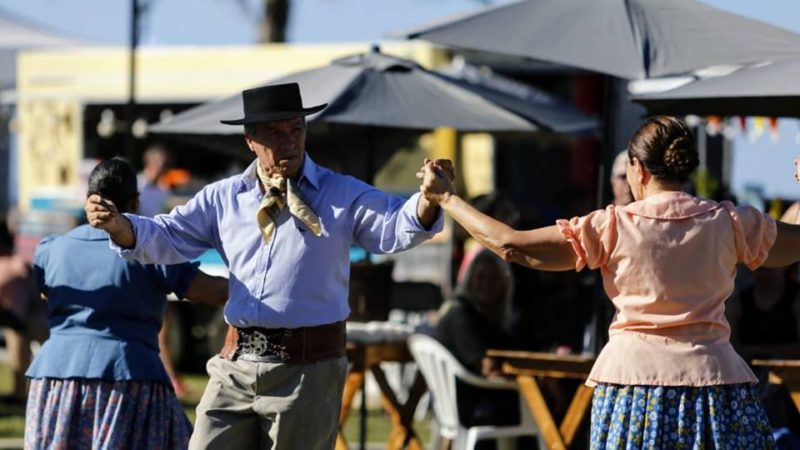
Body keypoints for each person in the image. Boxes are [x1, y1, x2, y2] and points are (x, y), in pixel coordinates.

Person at [84, 83, 447, 450]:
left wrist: (428, 201)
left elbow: (394, 224)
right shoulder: (224, 197)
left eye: (296, 129)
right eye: (275, 132)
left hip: (307, 369)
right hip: (236, 364)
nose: (289, 141)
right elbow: (168, 235)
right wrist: (119, 226)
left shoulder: (339, 192)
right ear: (250, 140)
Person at [420, 116, 800, 448]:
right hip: (716, 385)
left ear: (638, 169)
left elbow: (511, 245)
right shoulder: (730, 223)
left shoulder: (613, 226)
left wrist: (448, 198)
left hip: (633, 387)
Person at [26, 158, 229, 450]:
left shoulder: (50, 249)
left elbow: (48, 296)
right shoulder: (151, 252)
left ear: (89, 200)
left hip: (55, 379)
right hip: (130, 380)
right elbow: (217, 293)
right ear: (135, 203)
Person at [0, 219, 47, 404]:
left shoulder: (11, 266)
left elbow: (17, 317)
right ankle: (19, 391)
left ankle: (19, 392)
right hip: (42, 319)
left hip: (42, 322)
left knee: (16, 331)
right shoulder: (15, 263)